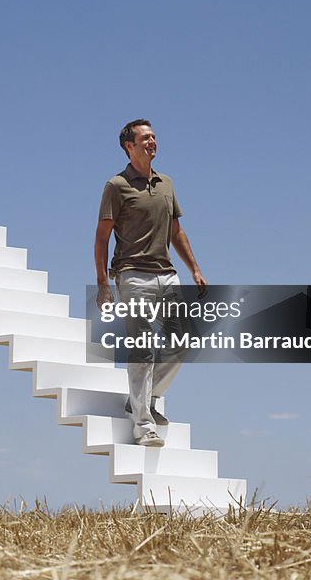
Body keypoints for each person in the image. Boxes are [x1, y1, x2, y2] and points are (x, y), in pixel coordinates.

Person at [94, 119, 207, 447]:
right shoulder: (116, 185)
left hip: (167, 273)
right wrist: (102, 283)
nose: (152, 142)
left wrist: (195, 268)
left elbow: (176, 231)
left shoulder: (166, 183)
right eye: (145, 138)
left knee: (185, 339)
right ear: (129, 146)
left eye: (154, 136)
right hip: (132, 274)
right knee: (143, 346)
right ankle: (144, 424)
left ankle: (141, 397)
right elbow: (102, 237)